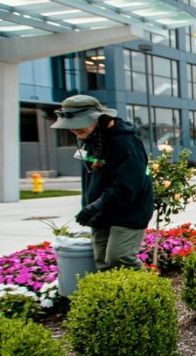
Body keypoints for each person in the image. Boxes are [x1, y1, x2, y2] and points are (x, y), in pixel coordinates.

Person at [51, 95, 154, 271]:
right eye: (71, 127)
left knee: (120, 256)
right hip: (101, 210)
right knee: (102, 261)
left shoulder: (125, 142)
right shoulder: (89, 140)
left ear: (97, 119)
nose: (74, 131)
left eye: (79, 125)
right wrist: (90, 206)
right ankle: (115, 298)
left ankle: (153, 293)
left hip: (129, 208)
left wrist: (98, 204)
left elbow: (128, 185)